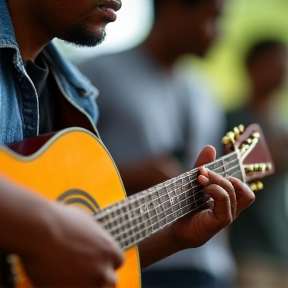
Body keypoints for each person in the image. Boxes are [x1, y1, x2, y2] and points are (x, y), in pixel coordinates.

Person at [0, 0, 255, 287]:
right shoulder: (101, 75)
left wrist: (175, 237)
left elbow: (73, 255)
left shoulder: (76, 96)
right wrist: (47, 228)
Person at [78, 0, 238, 287]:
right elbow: (59, 173)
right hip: (135, 261)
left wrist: (225, 265)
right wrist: (135, 175)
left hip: (209, 266)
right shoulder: (96, 73)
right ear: (174, 11)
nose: (221, 32)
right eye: (214, 18)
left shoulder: (205, 93)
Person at [227, 39, 288, 288]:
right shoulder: (234, 120)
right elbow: (235, 171)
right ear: (251, 66)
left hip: (280, 247)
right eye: (274, 60)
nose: (282, 67)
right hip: (247, 250)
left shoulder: (281, 124)